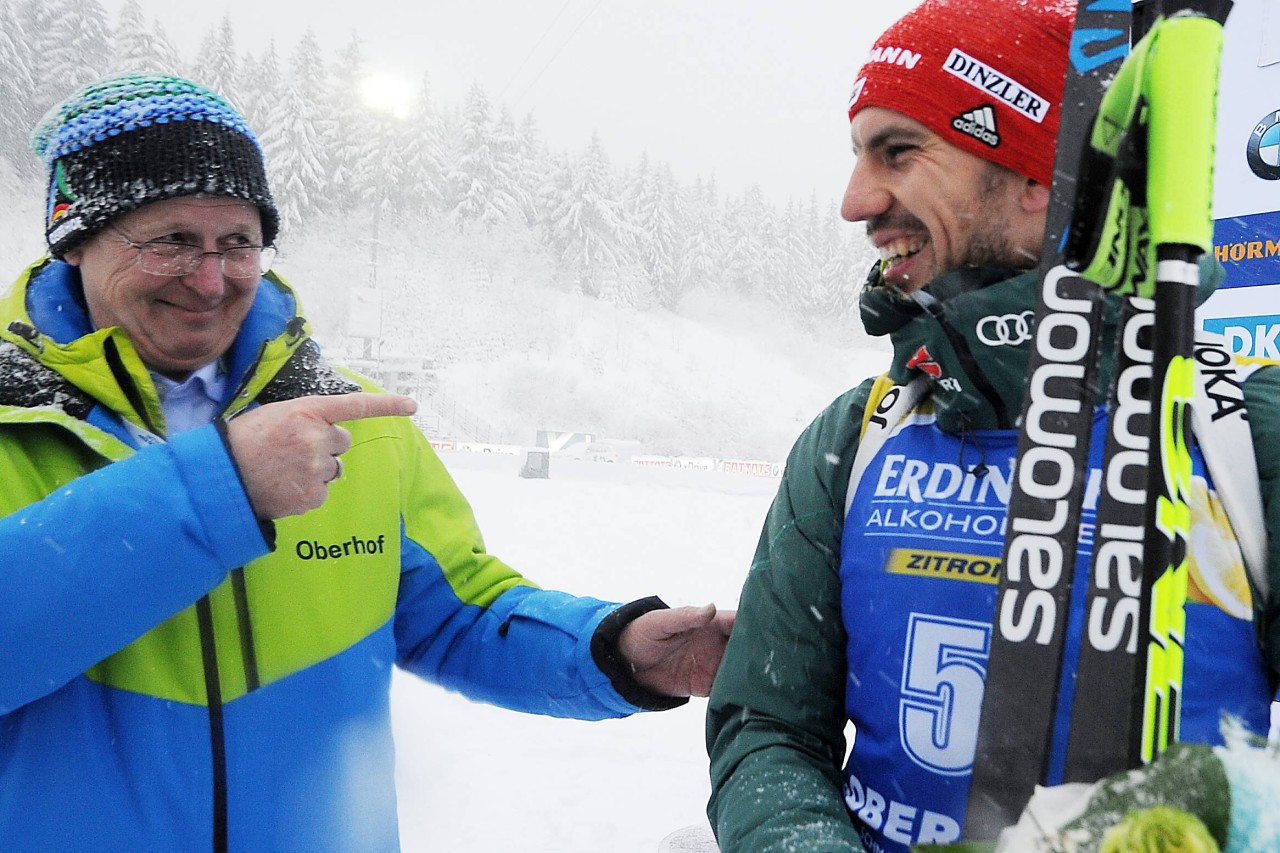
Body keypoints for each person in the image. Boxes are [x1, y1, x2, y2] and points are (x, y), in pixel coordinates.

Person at [0, 73, 733, 851]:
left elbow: (458, 613)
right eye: (171, 240)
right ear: (74, 238)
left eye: (238, 242)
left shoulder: (351, 421)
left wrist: (613, 649)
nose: (211, 278)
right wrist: (219, 490)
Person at [706, 1, 1280, 851]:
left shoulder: (1242, 436)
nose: (856, 200)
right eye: (858, 155)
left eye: (898, 150)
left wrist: (1239, 819)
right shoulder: (855, 438)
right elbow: (769, 726)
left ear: (1039, 178)